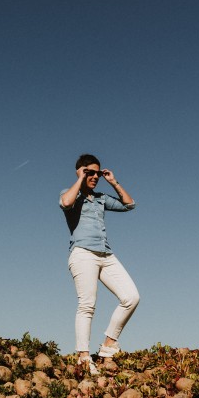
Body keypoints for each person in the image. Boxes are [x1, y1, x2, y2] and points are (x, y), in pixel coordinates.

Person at [59, 154, 140, 374]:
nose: (95, 176)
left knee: (131, 297)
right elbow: (66, 203)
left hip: (106, 254)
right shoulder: (71, 195)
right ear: (81, 172)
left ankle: (108, 345)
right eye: (90, 172)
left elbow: (129, 204)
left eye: (97, 173)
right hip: (83, 254)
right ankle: (83, 357)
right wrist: (79, 178)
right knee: (87, 305)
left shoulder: (101, 198)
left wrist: (113, 182)